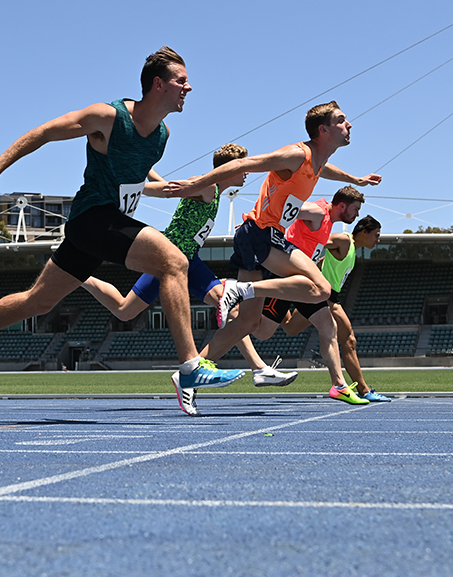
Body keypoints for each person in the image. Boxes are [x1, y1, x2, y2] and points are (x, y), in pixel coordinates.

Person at [0, 47, 245, 393]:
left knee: (38, 301)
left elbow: (137, 180)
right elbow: (47, 131)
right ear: (159, 84)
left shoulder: (161, 136)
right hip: (92, 218)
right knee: (173, 261)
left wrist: (177, 188)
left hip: (104, 226)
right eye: (182, 81)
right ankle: (190, 365)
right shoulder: (107, 117)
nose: (189, 88)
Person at [164, 101, 380, 410]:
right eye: (342, 120)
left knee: (247, 323)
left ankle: (188, 372)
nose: (349, 125)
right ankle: (239, 289)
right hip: (259, 234)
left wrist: (355, 180)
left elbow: (323, 170)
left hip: (260, 236)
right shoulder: (296, 154)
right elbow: (244, 165)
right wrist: (196, 183)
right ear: (324, 130)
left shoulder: (316, 161)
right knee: (320, 288)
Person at [79, 143, 298, 416]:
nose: (247, 172)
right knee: (124, 311)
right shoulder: (207, 187)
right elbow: (168, 190)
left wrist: (145, 168)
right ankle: (82, 276)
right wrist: (128, 187)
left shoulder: (215, 191)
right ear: (228, 167)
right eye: (243, 165)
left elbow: (167, 184)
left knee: (231, 309)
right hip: (169, 259)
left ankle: (255, 369)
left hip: (188, 262)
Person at [278, 213, 390, 402]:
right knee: (349, 341)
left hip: (321, 297)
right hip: (328, 299)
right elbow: (317, 241)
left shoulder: (352, 252)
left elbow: (325, 259)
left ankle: (277, 291)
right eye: (376, 235)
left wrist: (319, 265)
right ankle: (363, 390)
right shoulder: (345, 240)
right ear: (364, 232)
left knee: (289, 327)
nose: (378, 240)